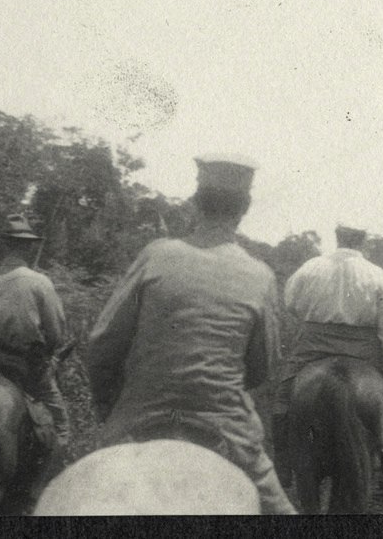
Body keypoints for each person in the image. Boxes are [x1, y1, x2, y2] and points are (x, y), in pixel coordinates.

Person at [86, 155, 296, 515]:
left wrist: (109, 405)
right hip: (227, 429)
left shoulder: (156, 255)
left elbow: (103, 341)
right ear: (244, 208)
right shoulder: (260, 276)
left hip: (137, 418)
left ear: (196, 201)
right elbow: (262, 369)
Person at [275, 224, 383, 495]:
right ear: (363, 239)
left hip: (313, 345)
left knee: (282, 398)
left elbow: (290, 302)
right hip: (363, 350)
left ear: (337, 237)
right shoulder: (378, 275)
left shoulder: (310, 268)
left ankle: (282, 463)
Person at [0, 213, 71, 458]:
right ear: (28, 247)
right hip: (23, 362)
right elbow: (56, 334)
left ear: (2, 246)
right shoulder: (40, 282)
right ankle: (52, 468)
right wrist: (48, 350)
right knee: (60, 421)